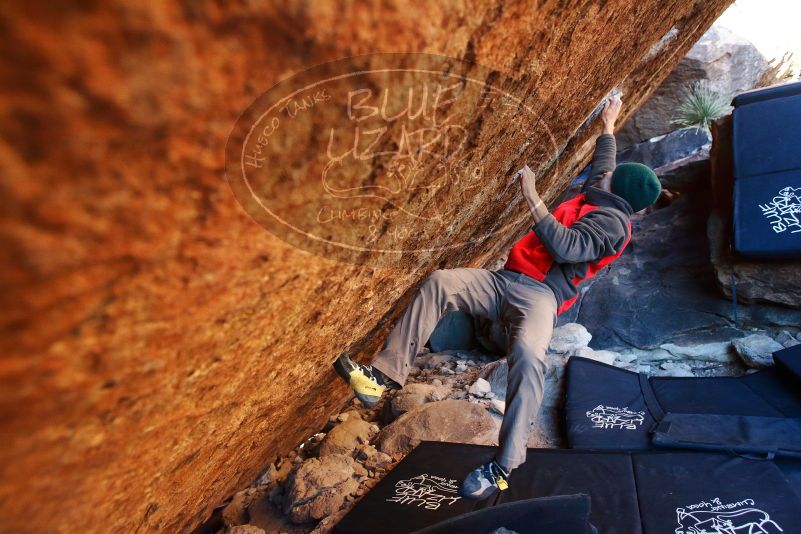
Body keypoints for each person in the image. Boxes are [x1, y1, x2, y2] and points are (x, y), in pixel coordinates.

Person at [333, 95, 661, 500]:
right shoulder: (603, 193)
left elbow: (568, 248)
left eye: (611, 176)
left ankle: (503, 466)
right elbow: (605, 163)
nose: (604, 175)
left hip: (540, 298)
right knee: (441, 282)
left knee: (528, 358)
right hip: (506, 280)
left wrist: (532, 196)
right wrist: (608, 124)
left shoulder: (612, 224)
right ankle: (382, 378)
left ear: (618, 193)